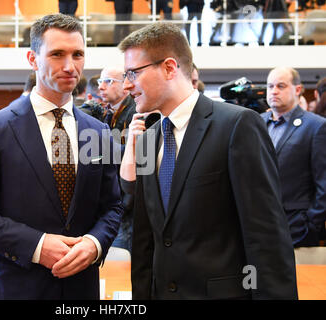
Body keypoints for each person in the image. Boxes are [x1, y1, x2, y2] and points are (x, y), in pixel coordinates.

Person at [118, 22, 297, 299]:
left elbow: (266, 237)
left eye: (133, 73)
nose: (126, 84)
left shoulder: (237, 125)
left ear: (169, 67)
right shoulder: (148, 138)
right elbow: (145, 239)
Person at [0, 13, 122, 300]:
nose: (70, 66)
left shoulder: (99, 131)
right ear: (32, 59)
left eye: (77, 54)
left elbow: (113, 206)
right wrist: (37, 245)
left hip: (80, 287)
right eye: (57, 54)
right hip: (15, 286)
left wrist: (94, 243)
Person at [261, 67, 326, 247]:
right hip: (259, 226)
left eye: (281, 86)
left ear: (298, 90)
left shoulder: (316, 126)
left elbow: (324, 183)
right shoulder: (256, 122)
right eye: (270, 86)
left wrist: (311, 223)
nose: (274, 91)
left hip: (297, 227)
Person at [98, 66, 136, 252]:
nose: (101, 87)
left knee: (123, 261)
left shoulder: (136, 111)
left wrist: (99, 149)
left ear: (125, 84)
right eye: (100, 81)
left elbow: (138, 155)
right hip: (112, 203)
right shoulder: (108, 113)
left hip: (127, 207)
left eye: (108, 81)